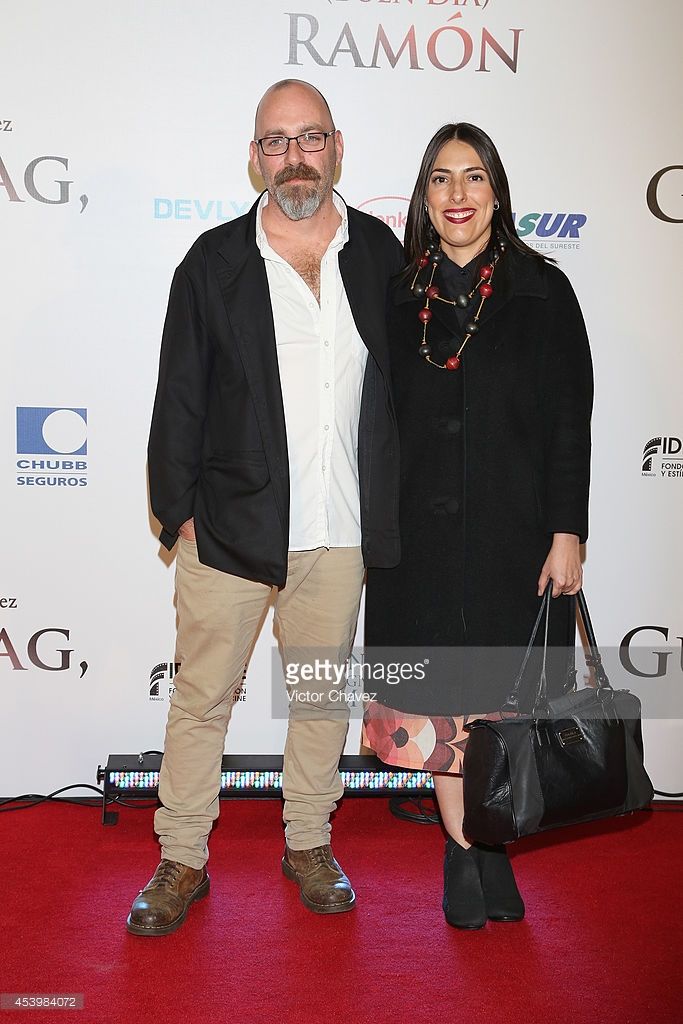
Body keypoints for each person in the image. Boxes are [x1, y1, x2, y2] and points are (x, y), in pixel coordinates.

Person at [127, 79, 403, 935]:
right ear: (255, 156)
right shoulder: (213, 261)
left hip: (340, 528)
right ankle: (181, 856)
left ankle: (309, 842)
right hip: (229, 530)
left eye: (309, 138)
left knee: (318, 699)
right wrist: (179, 512)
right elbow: (179, 393)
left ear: (336, 147)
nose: (294, 158)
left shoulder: (378, 253)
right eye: (276, 142)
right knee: (202, 698)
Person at [362, 123, 593, 929]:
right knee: (439, 706)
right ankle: (461, 850)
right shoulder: (396, 297)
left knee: (505, 703)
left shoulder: (542, 291)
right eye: (440, 178)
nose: (456, 194)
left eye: (472, 177)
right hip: (417, 543)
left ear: (496, 192)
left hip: (515, 537)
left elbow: (569, 421)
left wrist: (566, 531)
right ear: (423, 198)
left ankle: (493, 843)